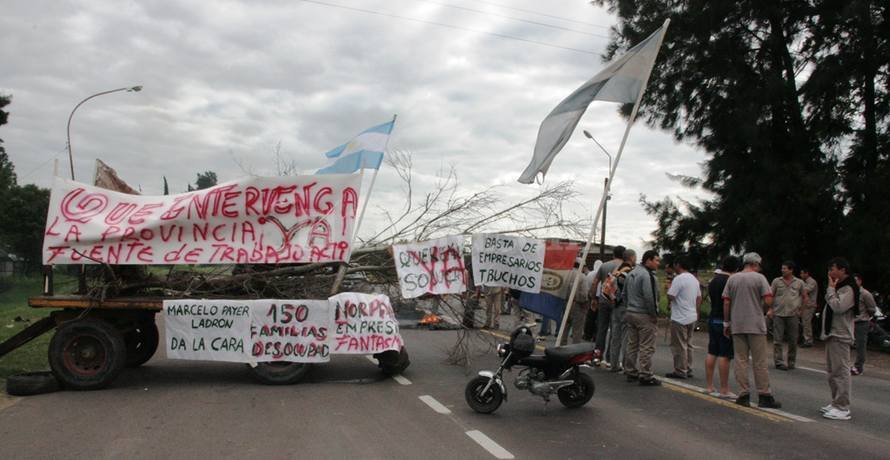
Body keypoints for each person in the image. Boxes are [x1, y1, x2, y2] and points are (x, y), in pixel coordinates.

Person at [722, 252, 782, 408]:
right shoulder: (759, 278)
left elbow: (727, 302)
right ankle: (764, 394)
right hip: (755, 324)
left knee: (740, 360)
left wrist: (727, 322)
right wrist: (761, 309)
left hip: (738, 324)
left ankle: (743, 393)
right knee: (759, 361)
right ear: (755, 264)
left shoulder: (733, 278)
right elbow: (768, 299)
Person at [820, 257, 858, 420]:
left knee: (841, 371)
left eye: (833, 268)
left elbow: (838, 307)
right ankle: (835, 402)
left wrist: (830, 290)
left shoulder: (849, 288)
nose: (830, 272)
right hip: (832, 333)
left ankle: (843, 407)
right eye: (829, 269)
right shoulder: (839, 286)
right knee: (832, 371)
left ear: (843, 270)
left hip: (841, 334)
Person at [623, 250, 661, 386]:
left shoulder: (631, 273)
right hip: (643, 314)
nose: (658, 263)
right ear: (648, 260)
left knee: (632, 344)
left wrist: (628, 307)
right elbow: (650, 297)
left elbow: (624, 294)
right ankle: (645, 374)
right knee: (646, 345)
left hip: (630, 312)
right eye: (656, 260)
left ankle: (630, 371)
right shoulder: (647, 276)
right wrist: (653, 314)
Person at [706, 256, 739, 399]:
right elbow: (728, 302)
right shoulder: (730, 281)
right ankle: (724, 389)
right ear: (736, 268)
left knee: (712, 351)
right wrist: (728, 321)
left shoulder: (714, 280)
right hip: (723, 319)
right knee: (724, 354)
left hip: (712, 317)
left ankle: (709, 386)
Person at [665, 255, 701, 379]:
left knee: (679, 344)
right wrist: (697, 312)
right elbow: (698, 297)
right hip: (691, 315)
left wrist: (668, 290)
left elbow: (671, 296)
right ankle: (688, 367)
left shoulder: (678, 279)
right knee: (688, 343)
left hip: (679, 316)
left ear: (678, 265)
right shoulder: (694, 279)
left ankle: (680, 369)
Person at [770, 261, 808, 370]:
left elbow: (805, 297)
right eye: (782, 268)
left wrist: (802, 310)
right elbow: (771, 295)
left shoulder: (799, 282)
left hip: (793, 314)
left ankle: (791, 361)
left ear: (791, 270)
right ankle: (778, 361)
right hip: (779, 313)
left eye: (785, 268)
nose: (783, 270)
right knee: (777, 339)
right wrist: (770, 309)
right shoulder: (777, 281)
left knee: (793, 339)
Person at [591, 246, 626, 363]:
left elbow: (595, 282)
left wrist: (593, 298)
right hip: (617, 302)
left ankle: (597, 355)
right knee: (615, 330)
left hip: (603, 300)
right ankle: (611, 358)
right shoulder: (625, 267)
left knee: (601, 328)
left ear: (613, 254)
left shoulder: (604, 265)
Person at [606, 250, 636, 372]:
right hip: (625, 306)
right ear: (632, 257)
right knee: (626, 337)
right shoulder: (629, 273)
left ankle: (613, 364)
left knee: (615, 336)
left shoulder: (617, 271)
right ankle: (625, 364)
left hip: (615, 305)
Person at [852, 274, 878, 375]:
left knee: (860, 345)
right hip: (850, 321)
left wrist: (865, 317)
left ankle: (859, 367)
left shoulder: (865, 294)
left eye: (855, 281)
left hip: (861, 322)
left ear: (860, 281)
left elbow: (872, 309)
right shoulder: (851, 293)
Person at [566, 259, 590, 343]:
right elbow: (584, 294)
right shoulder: (582, 277)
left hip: (565, 304)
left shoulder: (567, 274)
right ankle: (574, 351)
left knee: (564, 329)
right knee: (577, 331)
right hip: (578, 305)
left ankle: (560, 348)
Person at [582, 259, 602, 341]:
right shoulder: (603, 273)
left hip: (591, 297)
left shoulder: (590, 274)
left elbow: (587, 286)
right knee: (599, 318)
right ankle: (595, 336)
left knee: (590, 316)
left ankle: (587, 335)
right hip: (600, 298)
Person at [800, 268, 819, 347]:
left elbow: (805, 290)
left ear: (806, 273)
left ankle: (808, 340)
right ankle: (805, 338)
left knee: (806, 323)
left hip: (810, 305)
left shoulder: (812, 282)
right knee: (804, 323)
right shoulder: (804, 282)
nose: (800, 275)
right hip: (805, 305)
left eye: (802, 273)